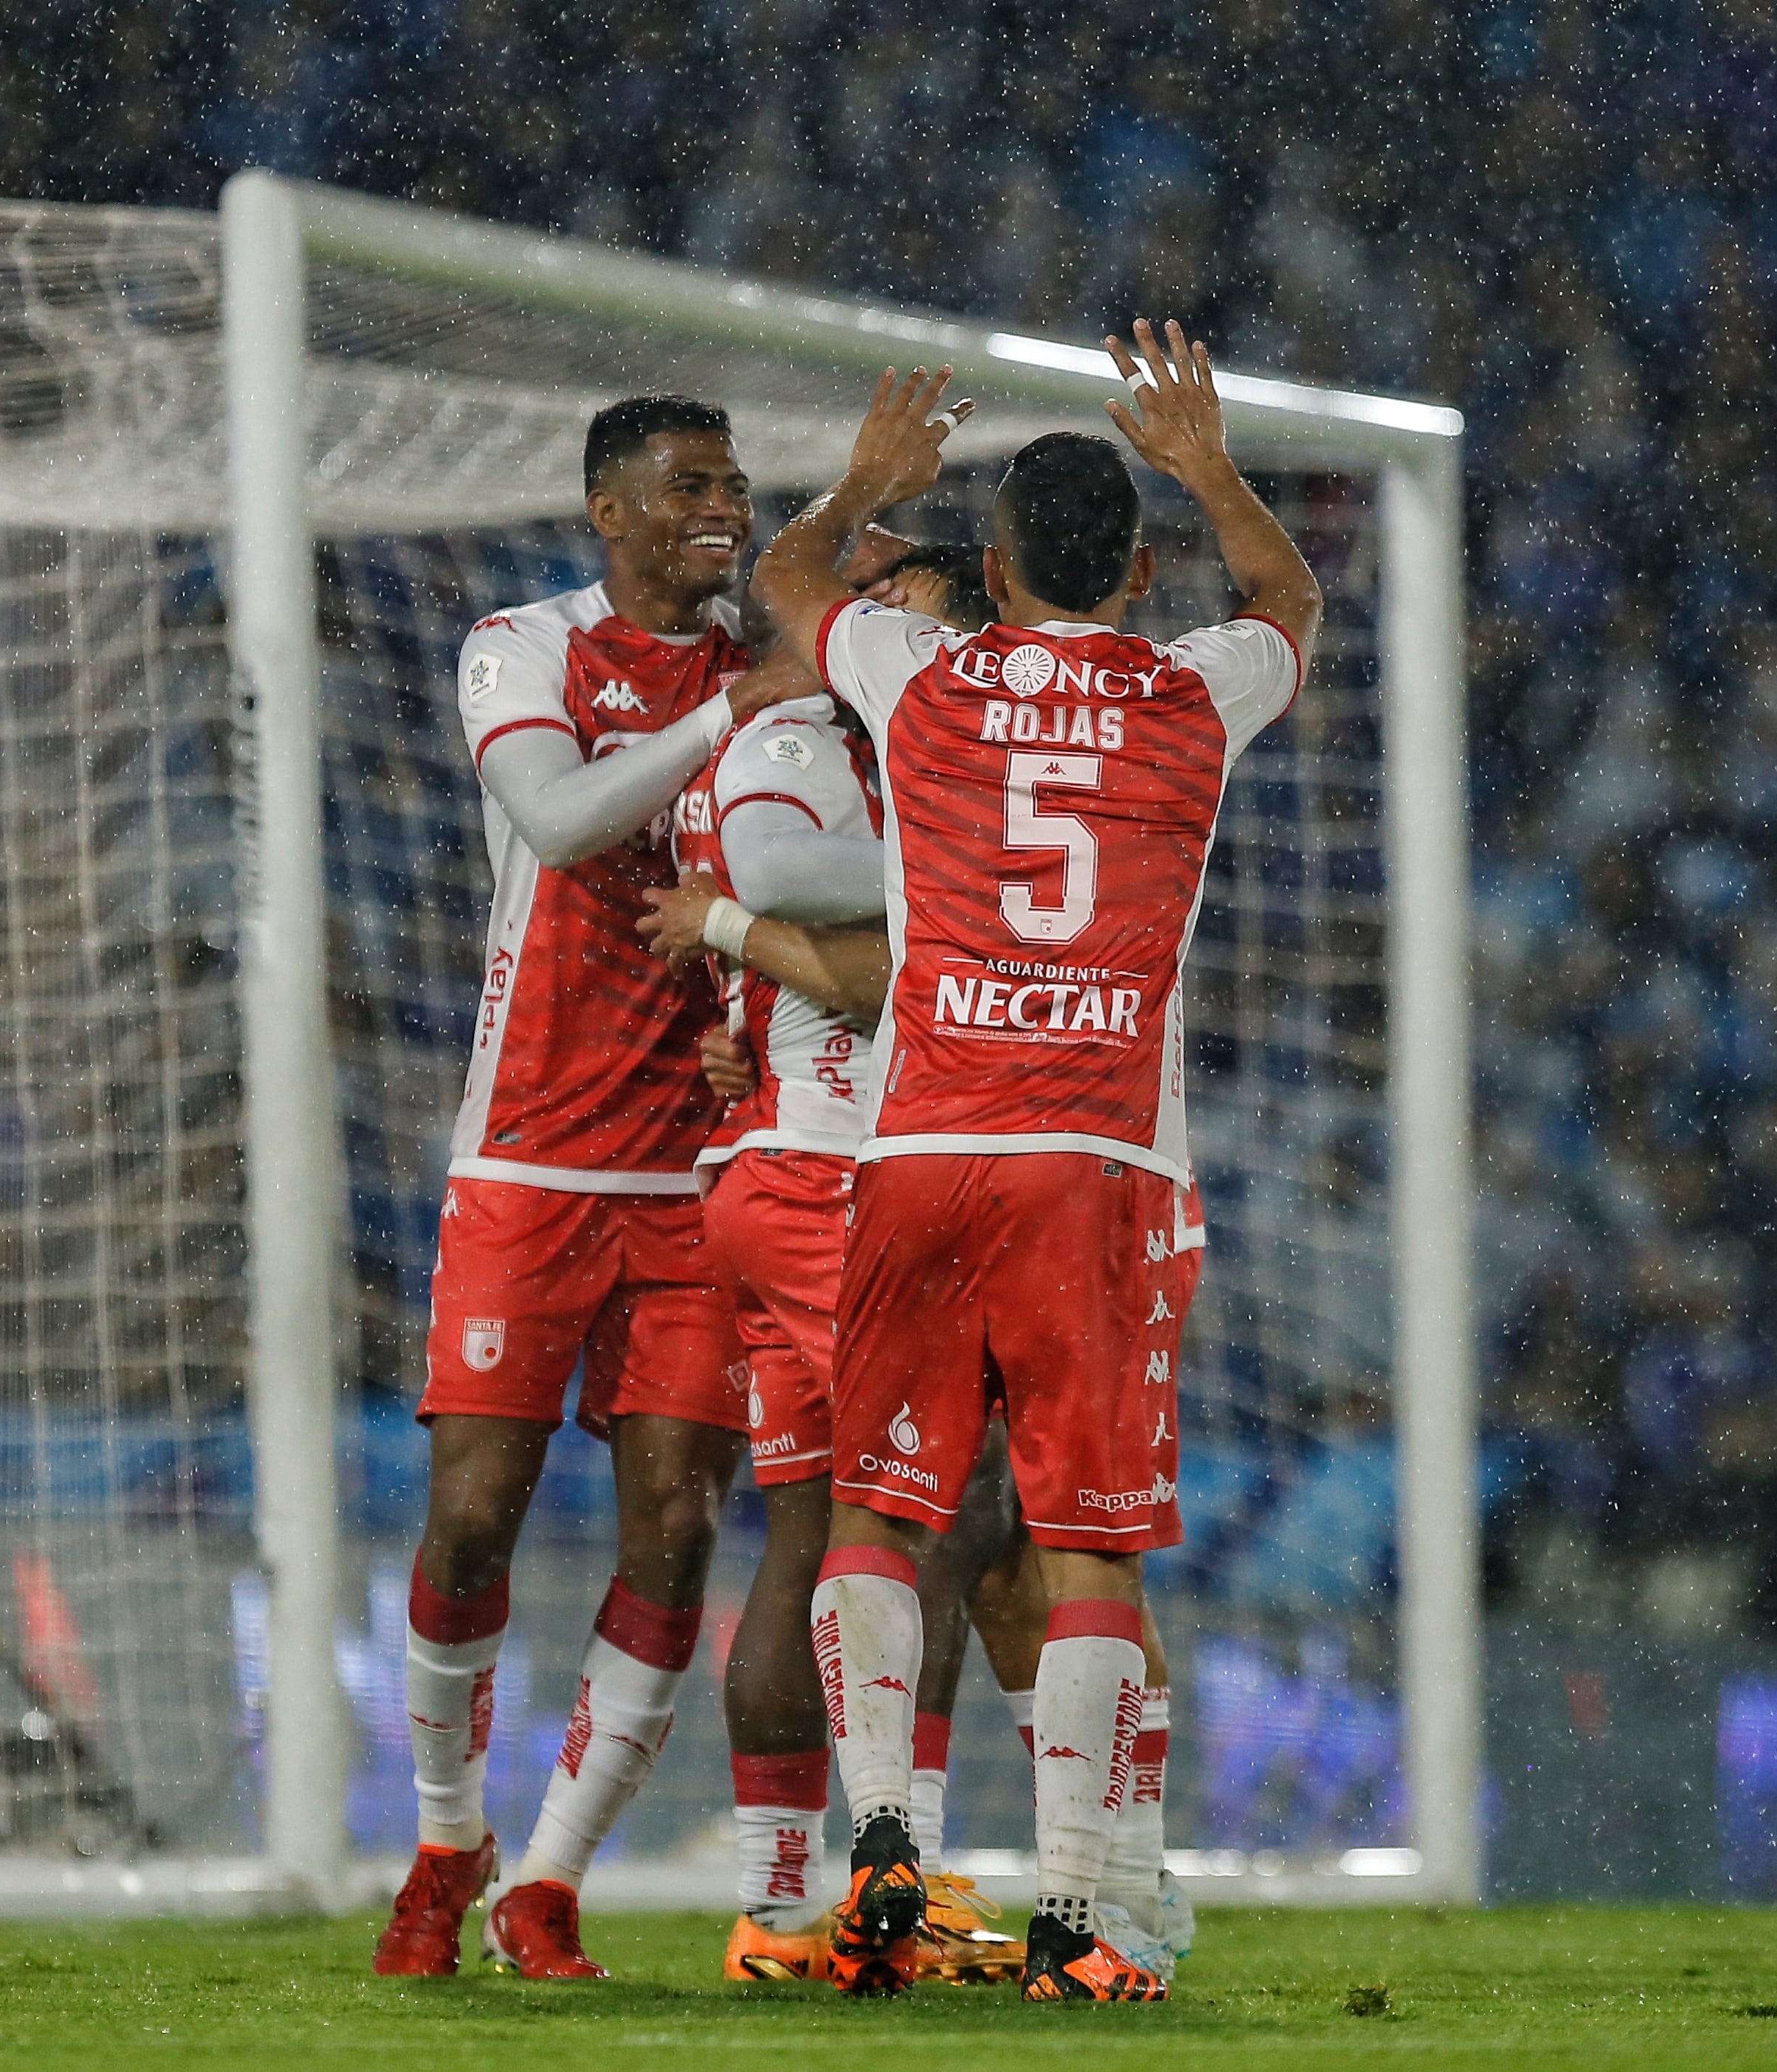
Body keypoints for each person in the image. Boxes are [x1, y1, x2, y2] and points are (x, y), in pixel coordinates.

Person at [747, 328, 1317, 2002]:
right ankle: (1081, 1913)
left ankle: (883, 1847)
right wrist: (1210, 463)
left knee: (881, 1499)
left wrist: (866, 482)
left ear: (987, 569)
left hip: (921, 1141)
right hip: (1092, 1151)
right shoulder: (1191, 685)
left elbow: (790, 574)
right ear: (1141, 570)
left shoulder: (920, 678)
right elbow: (1292, 607)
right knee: (1087, 1537)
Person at [372, 396, 828, 1980]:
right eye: (687, 486)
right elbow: (559, 820)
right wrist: (721, 720)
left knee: (676, 1531)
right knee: (474, 1515)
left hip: (703, 1168)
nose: (721, 509)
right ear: (605, 507)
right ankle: (445, 1837)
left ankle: (547, 1881)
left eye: (734, 486)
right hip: (529, 1155)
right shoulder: (523, 643)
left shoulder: (780, 673)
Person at [643, 538, 1017, 1987]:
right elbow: (869, 972)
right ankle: (891, 1871)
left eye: (908, 603)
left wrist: (756, 940)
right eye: (864, 606)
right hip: (823, 1179)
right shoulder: (791, 746)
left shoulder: (899, 754)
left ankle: (778, 1906)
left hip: (786, 1167)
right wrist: (927, 898)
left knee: (812, 1536)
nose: (884, 629)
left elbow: (839, 949)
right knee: (937, 1503)